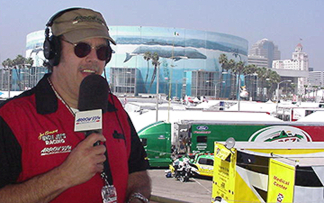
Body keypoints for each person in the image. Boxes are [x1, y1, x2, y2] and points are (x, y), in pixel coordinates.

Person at [0, 7, 151, 203]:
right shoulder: (13, 117)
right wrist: (65, 176)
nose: (93, 58)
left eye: (102, 51)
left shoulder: (114, 107)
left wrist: (137, 198)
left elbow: (137, 171)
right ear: (53, 52)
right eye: (82, 48)